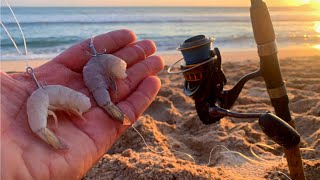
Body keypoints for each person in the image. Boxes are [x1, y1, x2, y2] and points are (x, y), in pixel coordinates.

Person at [1, 29, 164, 179]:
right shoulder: (89, 73)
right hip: (47, 105)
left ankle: (54, 135)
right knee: (58, 112)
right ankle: (50, 135)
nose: (124, 74)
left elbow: (118, 74)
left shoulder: (97, 69)